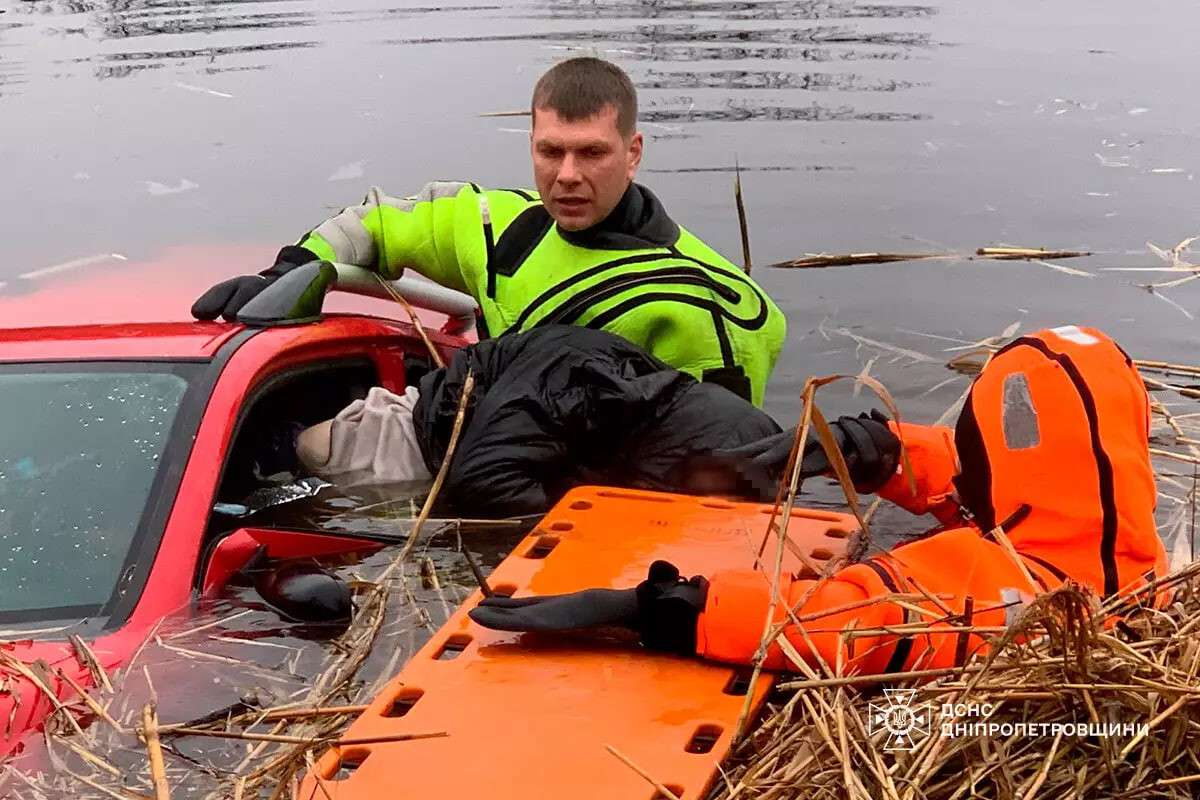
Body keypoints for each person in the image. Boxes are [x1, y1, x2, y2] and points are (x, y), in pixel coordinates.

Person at [470, 325, 1170, 676]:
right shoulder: (1132, 555)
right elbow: (1012, 485)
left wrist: (649, 610)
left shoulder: (993, 590)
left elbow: (831, 621)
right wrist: (876, 449)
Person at [191, 57, 786, 405]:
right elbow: (372, 226)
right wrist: (291, 269)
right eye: (550, 151)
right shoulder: (495, 225)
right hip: (493, 433)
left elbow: (714, 468)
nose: (567, 176)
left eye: (592, 154)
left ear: (633, 153)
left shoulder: (710, 308)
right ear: (530, 144)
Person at [281, 324, 899, 517]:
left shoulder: (661, 416)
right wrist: (608, 510)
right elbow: (479, 485)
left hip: (492, 439)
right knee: (304, 454)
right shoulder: (566, 381)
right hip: (404, 444)